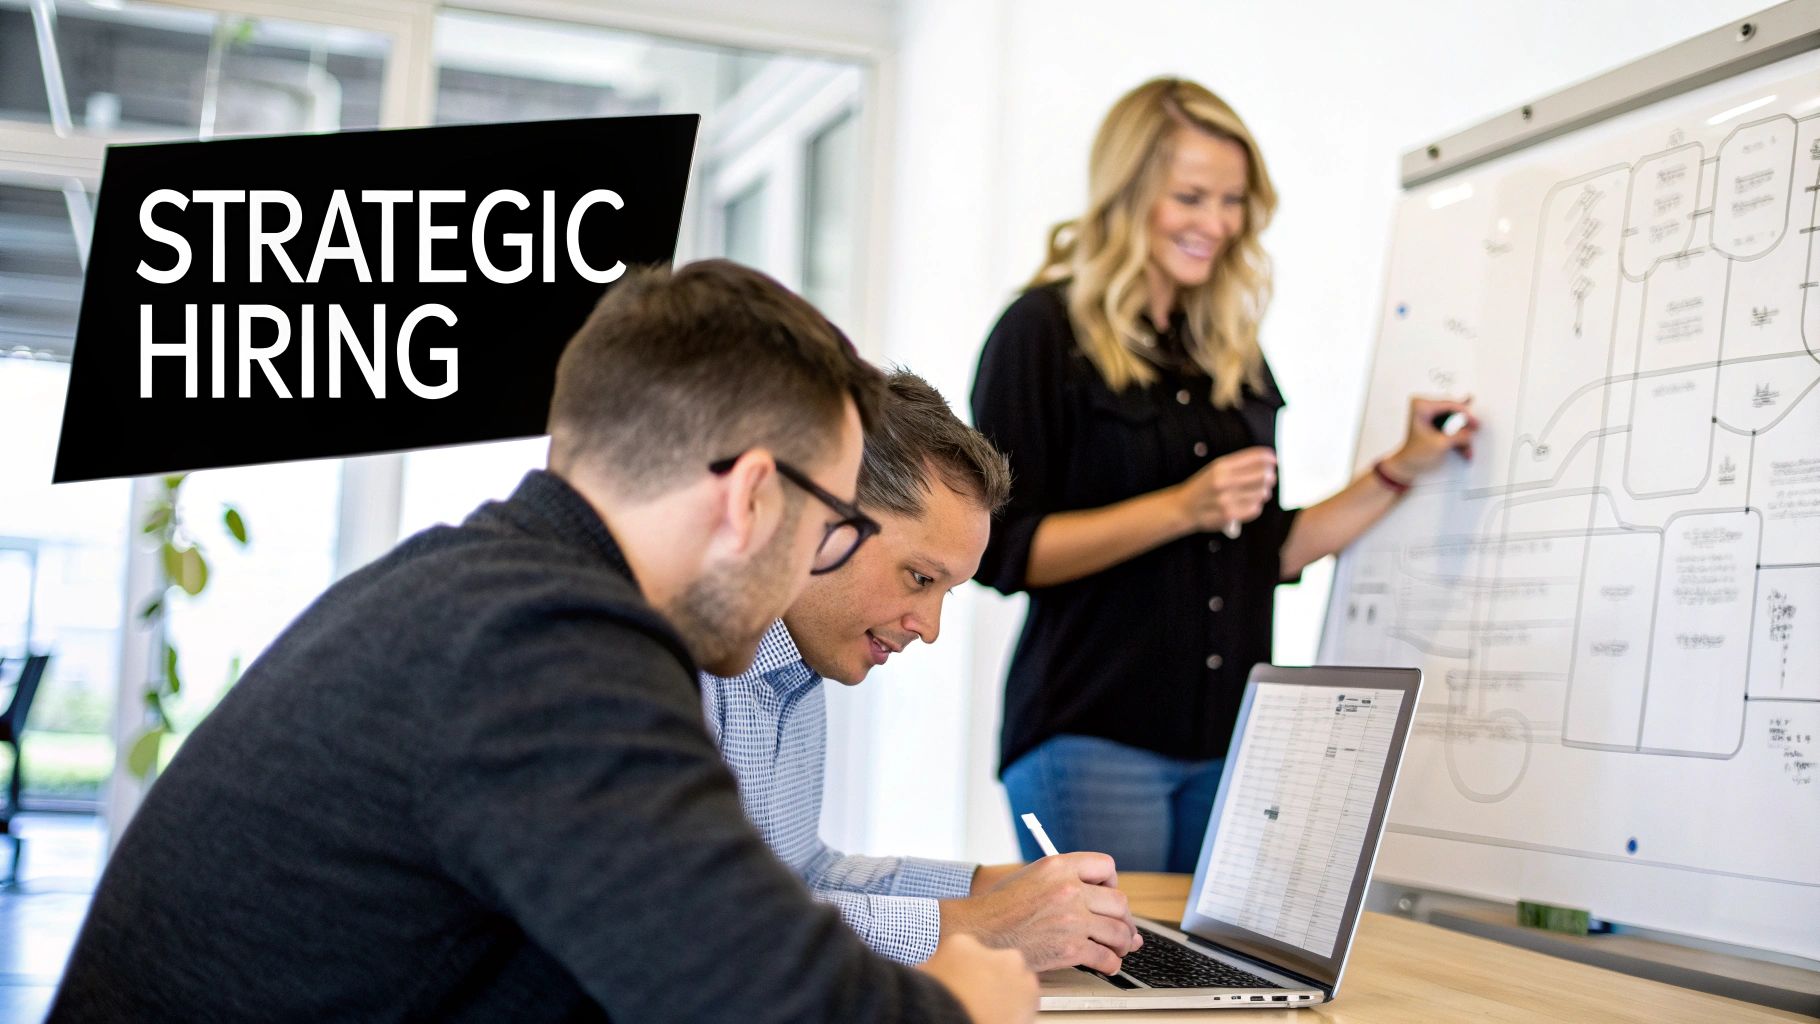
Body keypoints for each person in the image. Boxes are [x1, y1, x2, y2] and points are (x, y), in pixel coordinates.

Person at [51, 261, 1035, 1024]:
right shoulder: (547, 649)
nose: (814, 562)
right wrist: (955, 1000)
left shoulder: (482, 589)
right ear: (752, 498)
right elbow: (757, 995)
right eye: (835, 525)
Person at [970, 78, 1478, 873]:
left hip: (1232, 742)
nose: (1217, 223)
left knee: (1205, 990)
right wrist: (1181, 507)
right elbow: (999, 551)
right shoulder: (1041, 332)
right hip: (1092, 738)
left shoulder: (1231, 352)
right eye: (1192, 197)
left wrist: (1400, 471)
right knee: (1116, 983)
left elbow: (1263, 552)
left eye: (1234, 201)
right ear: (1130, 193)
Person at [701, 370, 1143, 975]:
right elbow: (700, 922)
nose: (929, 628)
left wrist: (996, 887)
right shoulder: (665, 663)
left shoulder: (795, 667)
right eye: (919, 578)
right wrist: (980, 930)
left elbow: (801, 873)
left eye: (947, 593)